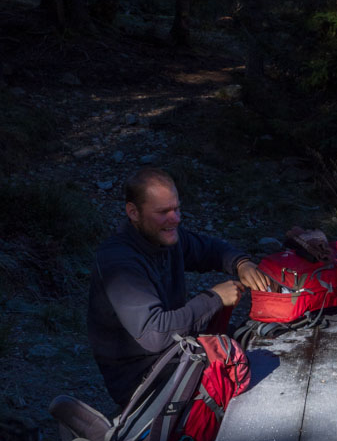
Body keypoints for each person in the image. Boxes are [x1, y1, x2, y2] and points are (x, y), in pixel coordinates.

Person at [87, 166, 272, 407]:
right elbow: (154, 334)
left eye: (177, 209)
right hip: (142, 377)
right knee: (247, 380)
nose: (175, 219)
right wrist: (215, 298)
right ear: (133, 212)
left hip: (174, 353)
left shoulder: (164, 236)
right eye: (163, 212)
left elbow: (210, 249)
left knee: (256, 346)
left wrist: (241, 263)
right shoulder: (119, 262)